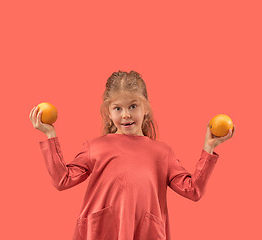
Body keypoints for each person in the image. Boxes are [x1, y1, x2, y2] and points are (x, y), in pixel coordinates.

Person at [29, 70, 235, 240]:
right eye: (118, 108)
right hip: (100, 232)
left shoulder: (162, 153)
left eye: (133, 106)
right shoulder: (95, 146)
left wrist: (209, 147)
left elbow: (194, 191)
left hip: (145, 233)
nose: (126, 114)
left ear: (146, 108)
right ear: (108, 113)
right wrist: (50, 134)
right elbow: (62, 180)